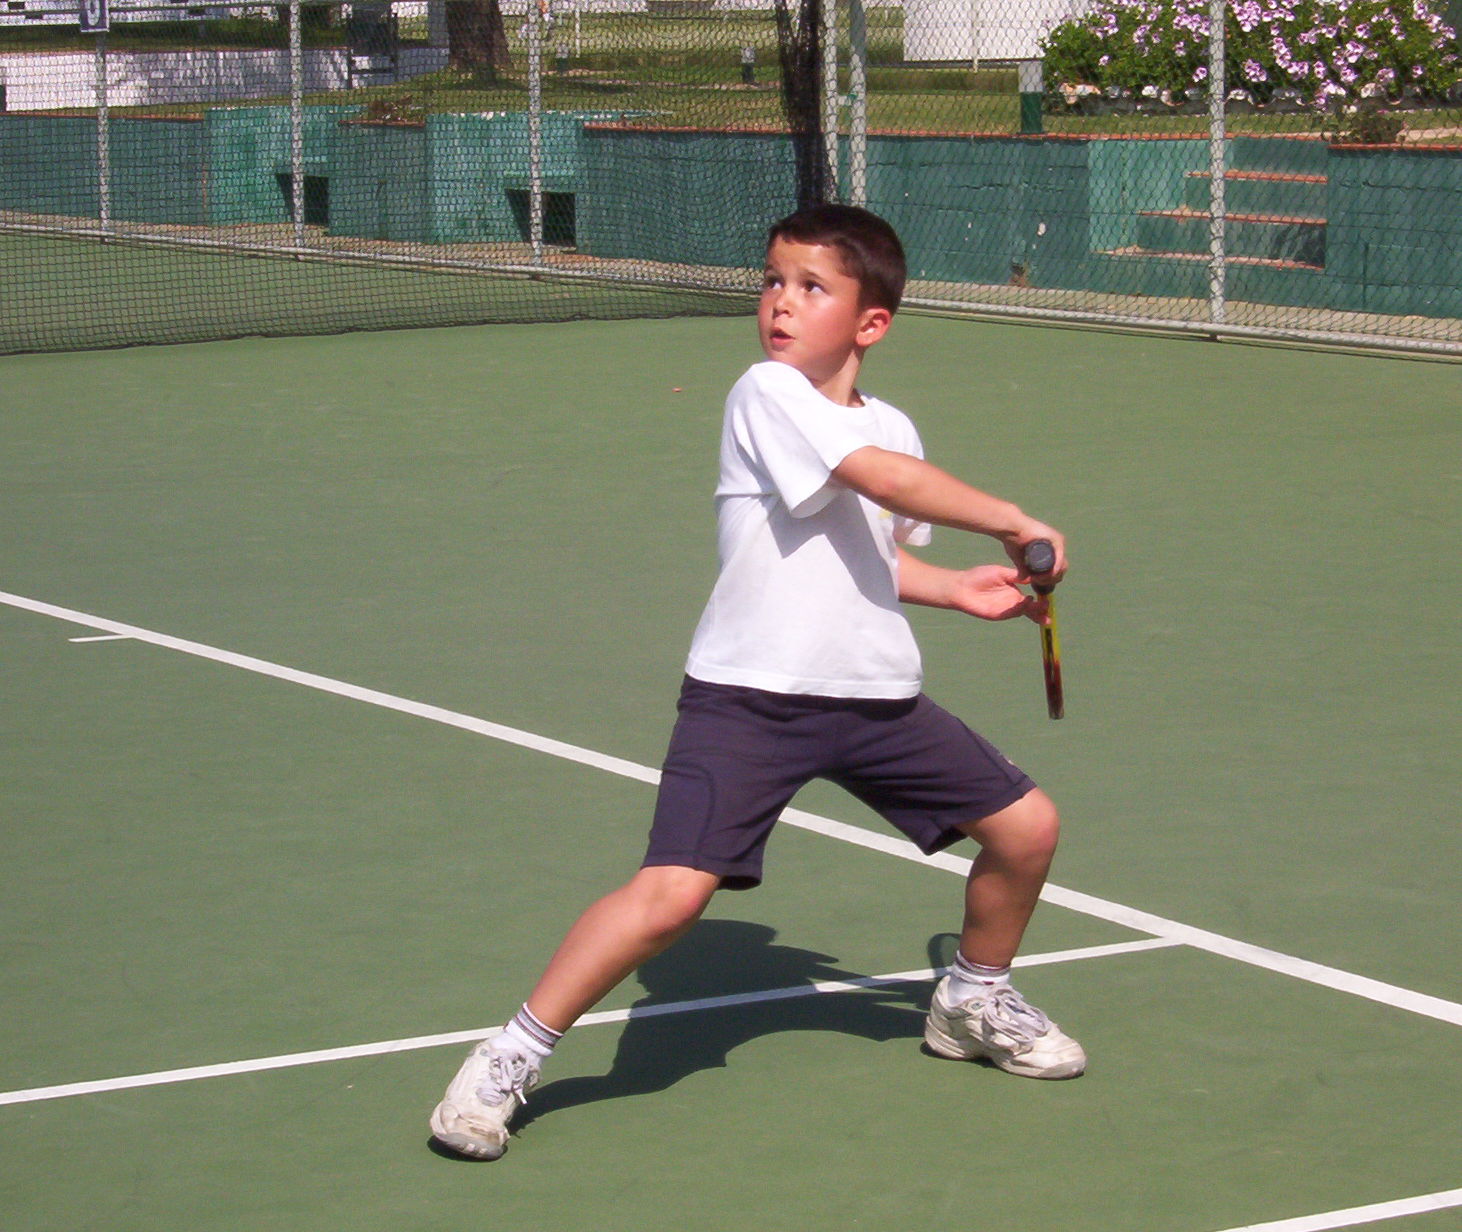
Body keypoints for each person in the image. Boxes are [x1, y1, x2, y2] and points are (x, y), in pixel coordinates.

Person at [430, 203, 1085, 1161]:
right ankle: (508, 1058)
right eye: (773, 281)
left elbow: (874, 548)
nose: (780, 302)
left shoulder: (892, 424)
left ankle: (973, 1000)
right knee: (671, 897)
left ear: (871, 323)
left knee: (1027, 828)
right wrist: (1011, 518)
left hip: (874, 700)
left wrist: (953, 586)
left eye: (812, 287)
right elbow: (879, 481)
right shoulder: (766, 393)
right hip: (749, 699)